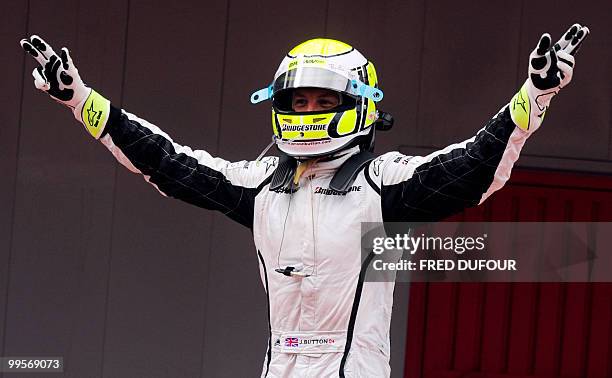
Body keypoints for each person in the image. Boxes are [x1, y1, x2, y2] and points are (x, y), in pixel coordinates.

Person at [20, 24, 589, 377]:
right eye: (295, 101)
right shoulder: (260, 185)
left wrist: (534, 95)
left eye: (322, 100)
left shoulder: (382, 182)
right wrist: (81, 101)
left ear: (360, 105)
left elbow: (468, 170)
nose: (306, 112)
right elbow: (169, 163)